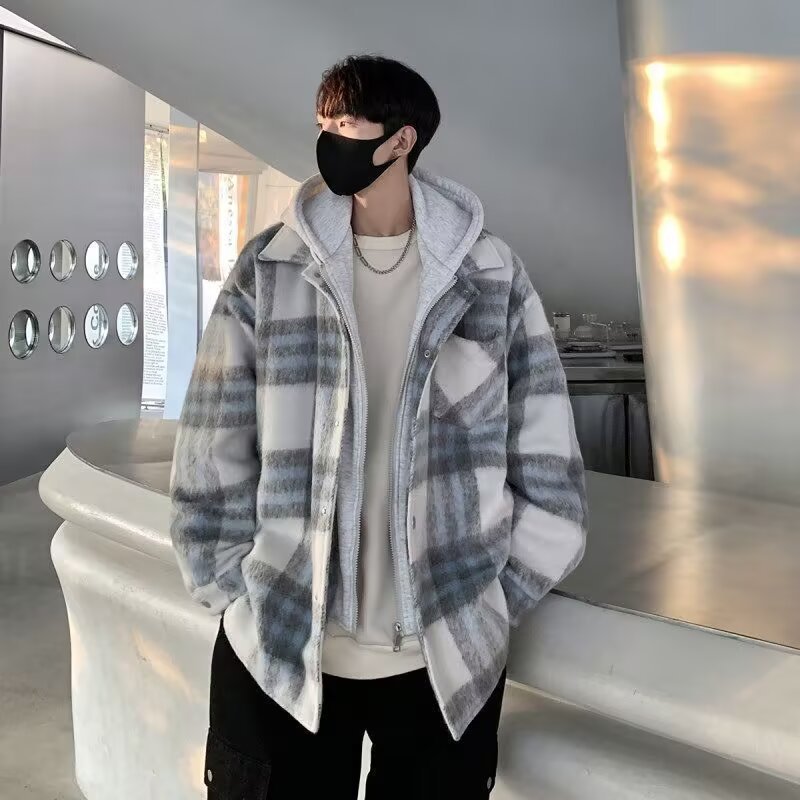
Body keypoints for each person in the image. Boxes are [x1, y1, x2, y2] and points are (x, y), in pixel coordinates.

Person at [169, 54, 588, 800]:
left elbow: (548, 466)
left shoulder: (491, 277)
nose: (328, 138)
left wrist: (484, 603)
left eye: (346, 123)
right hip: (281, 648)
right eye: (322, 122)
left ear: (402, 139)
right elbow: (210, 445)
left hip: (442, 667)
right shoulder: (270, 269)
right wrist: (236, 592)